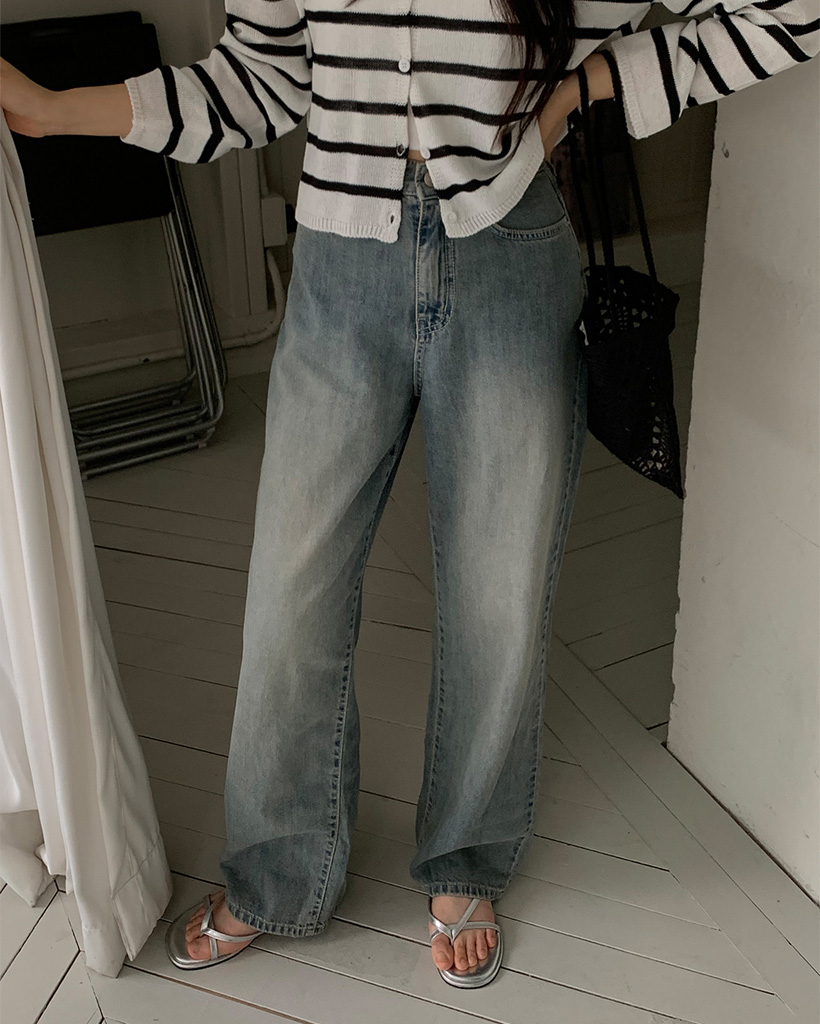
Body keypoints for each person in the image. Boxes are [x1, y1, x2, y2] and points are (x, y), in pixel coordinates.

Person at [2, 0, 816, 990]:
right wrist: (52, 111)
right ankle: (278, 872)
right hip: (340, 275)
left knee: (497, 595)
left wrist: (586, 87)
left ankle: (466, 856)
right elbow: (258, 79)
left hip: (510, 257)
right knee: (290, 596)